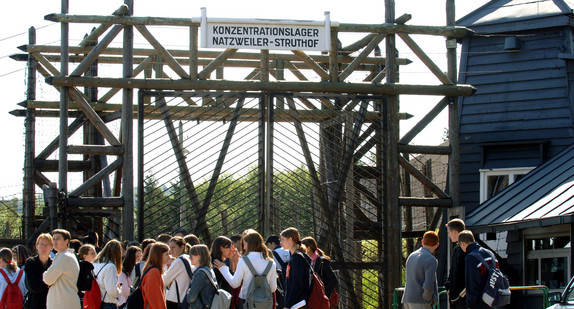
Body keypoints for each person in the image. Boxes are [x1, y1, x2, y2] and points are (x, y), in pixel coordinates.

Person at [214, 231, 277, 308]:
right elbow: (273, 288)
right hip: (264, 303)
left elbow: (235, 284)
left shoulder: (244, 260)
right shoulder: (271, 262)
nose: (244, 247)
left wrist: (223, 269)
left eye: (245, 244)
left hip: (245, 301)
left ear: (250, 245)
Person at [459, 230, 499, 309]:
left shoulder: (471, 257)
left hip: (479, 301)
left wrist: (470, 303)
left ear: (462, 243)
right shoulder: (490, 253)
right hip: (492, 297)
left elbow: (471, 283)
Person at [43, 229, 81, 309]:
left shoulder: (64, 257)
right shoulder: (67, 255)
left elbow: (48, 279)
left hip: (63, 302)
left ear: (66, 241)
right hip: (65, 301)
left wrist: (45, 274)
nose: (55, 241)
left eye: (58, 238)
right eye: (53, 239)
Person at [401, 231, 440, 309]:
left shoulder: (411, 256)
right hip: (420, 300)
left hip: (407, 298)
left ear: (422, 242)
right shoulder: (431, 260)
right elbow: (428, 284)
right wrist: (428, 301)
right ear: (437, 245)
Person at [281, 227, 311, 309]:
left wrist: (288, 305)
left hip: (298, 304)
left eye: (282, 239)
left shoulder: (297, 259)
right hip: (299, 303)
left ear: (290, 239)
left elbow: (296, 284)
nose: (280, 242)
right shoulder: (297, 257)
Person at [25, 233, 53, 309]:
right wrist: (49, 284)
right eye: (41, 244)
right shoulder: (30, 262)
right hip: (35, 303)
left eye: (47, 245)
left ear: (51, 247)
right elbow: (33, 286)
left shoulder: (54, 264)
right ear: (36, 246)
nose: (44, 247)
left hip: (52, 303)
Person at [164, 237, 193, 309]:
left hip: (175, 299)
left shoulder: (178, 261)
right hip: (185, 299)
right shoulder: (188, 258)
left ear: (182, 247)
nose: (171, 250)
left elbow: (165, 280)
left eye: (173, 247)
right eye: (170, 248)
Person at [93, 239, 123, 309]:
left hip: (95, 302)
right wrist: (119, 290)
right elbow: (112, 291)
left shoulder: (94, 263)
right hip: (107, 303)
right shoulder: (110, 267)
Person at [186, 244, 218, 309]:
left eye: (191, 255)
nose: (189, 258)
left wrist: (189, 292)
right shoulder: (209, 269)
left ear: (198, 257)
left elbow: (190, 298)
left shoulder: (200, 273)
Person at [445, 218, 467, 309]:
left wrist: (462, 291)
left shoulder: (465, 249)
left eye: (449, 232)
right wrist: (449, 284)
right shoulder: (456, 248)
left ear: (454, 232)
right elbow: (453, 270)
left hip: (463, 296)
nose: (449, 235)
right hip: (455, 295)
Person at [141, 242, 170, 309]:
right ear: (159, 256)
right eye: (167, 254)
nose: (169, 257)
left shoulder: (150, 269)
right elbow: (155, 297)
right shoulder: (154, 271)